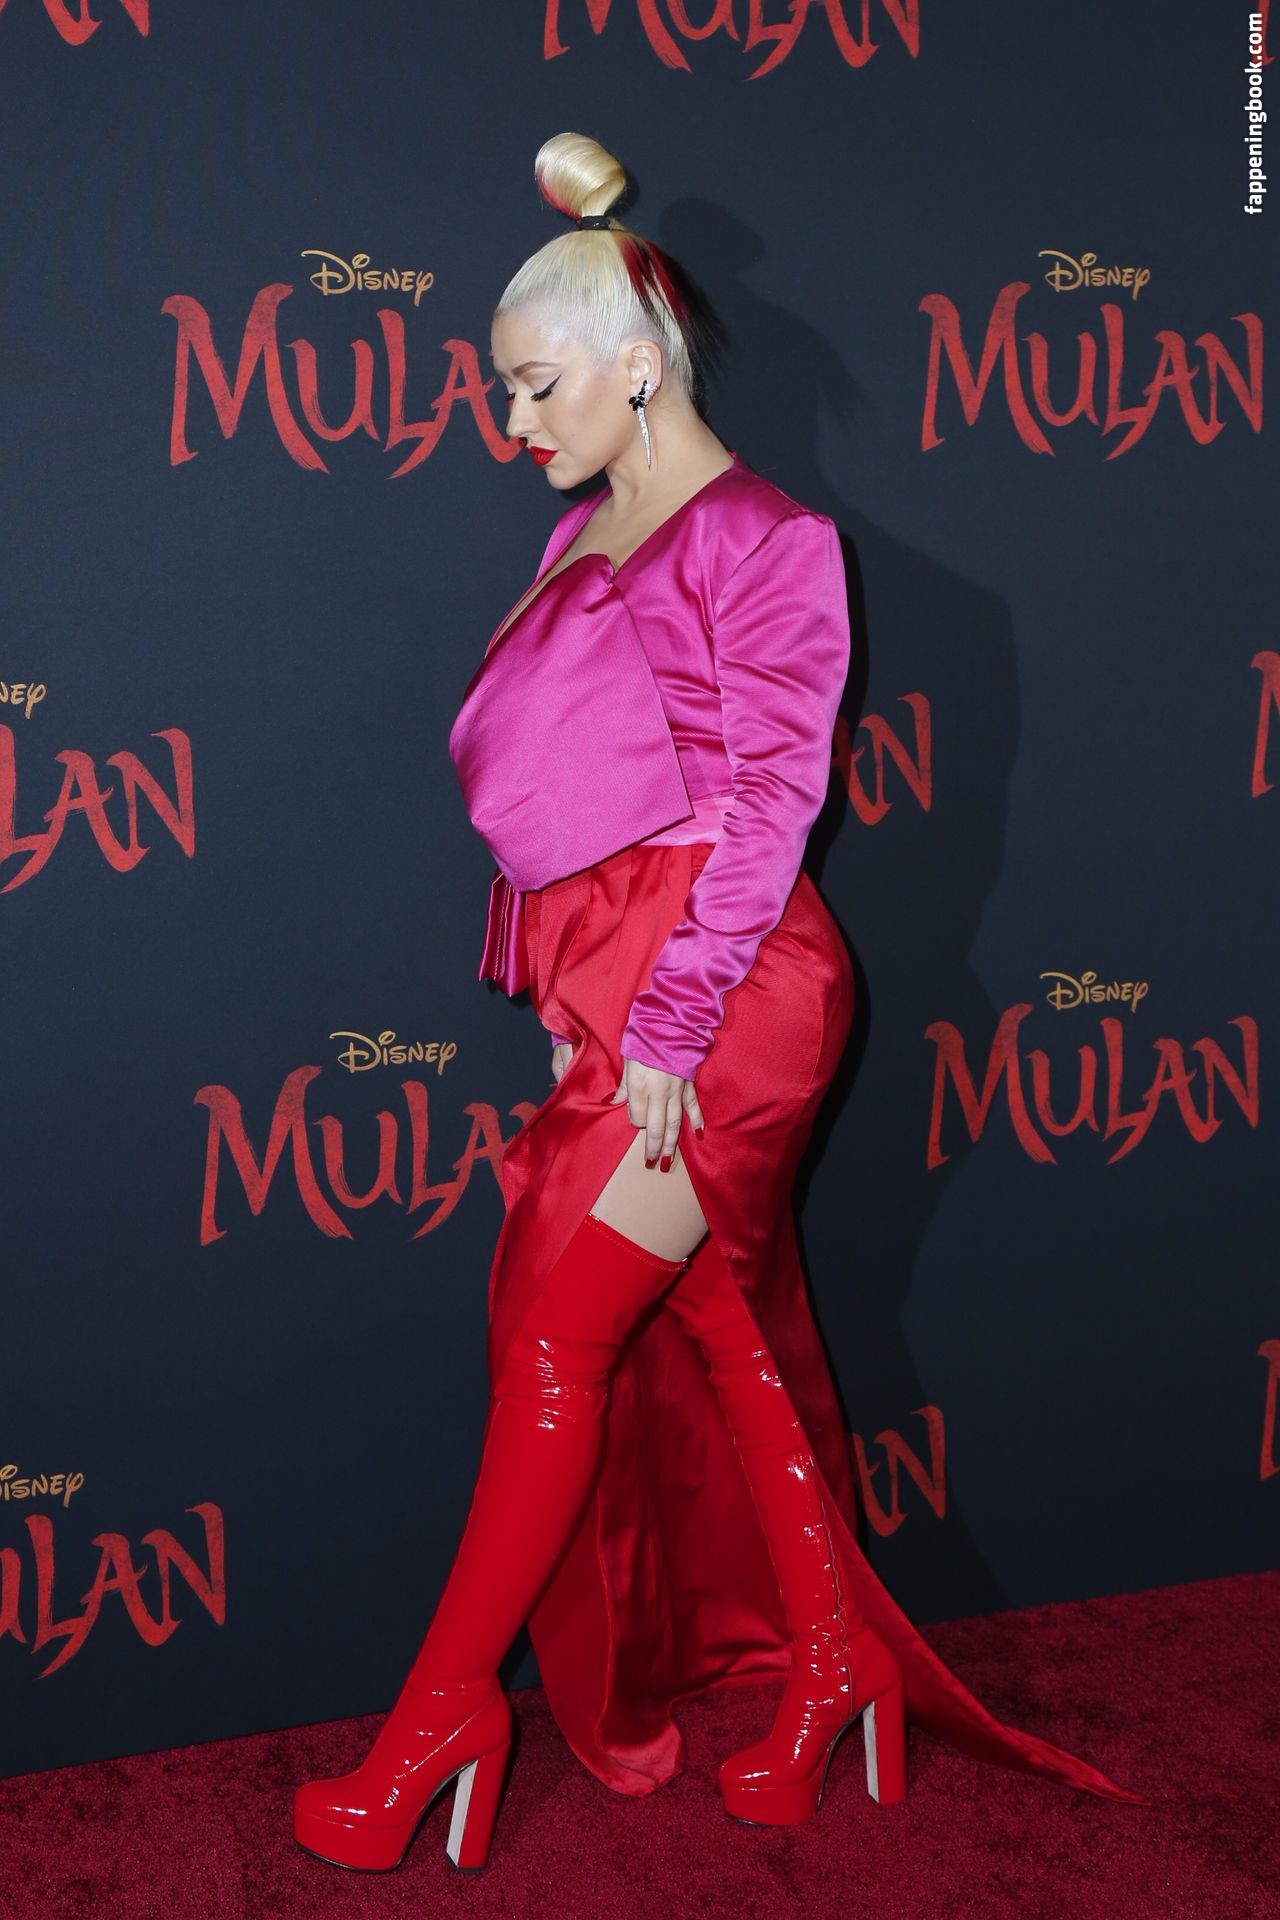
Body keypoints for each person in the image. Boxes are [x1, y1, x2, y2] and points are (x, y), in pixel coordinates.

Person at [293, 131, 1145, 1877]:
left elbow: (767, 812)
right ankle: (834, 1659)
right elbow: (559, 786)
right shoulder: (582, 527)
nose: (512, 422)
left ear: (635, 362)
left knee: (556, 1340)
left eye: (534, 386)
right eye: (504, 391)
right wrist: (560, 980)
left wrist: (668, 1024)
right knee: (715, 1330)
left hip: (733, 993)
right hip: (625, 983)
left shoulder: (768, 538)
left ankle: (440, 1718)